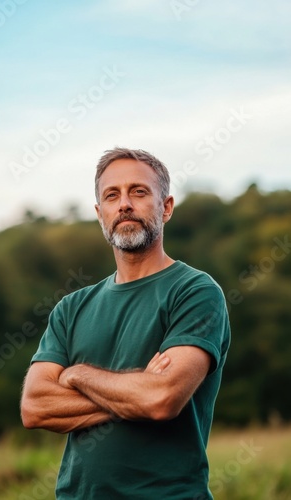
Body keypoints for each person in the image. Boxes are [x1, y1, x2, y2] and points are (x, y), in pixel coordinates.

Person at [21, 147, 231, 499]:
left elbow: (162, 399)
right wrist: (136, 392)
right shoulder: (71, 308)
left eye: (139, 191)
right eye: (112, 195)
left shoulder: (195, 291)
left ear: (165, 207)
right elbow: (35, 407)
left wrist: (76, 376)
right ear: (99, 213)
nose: (124, 205)